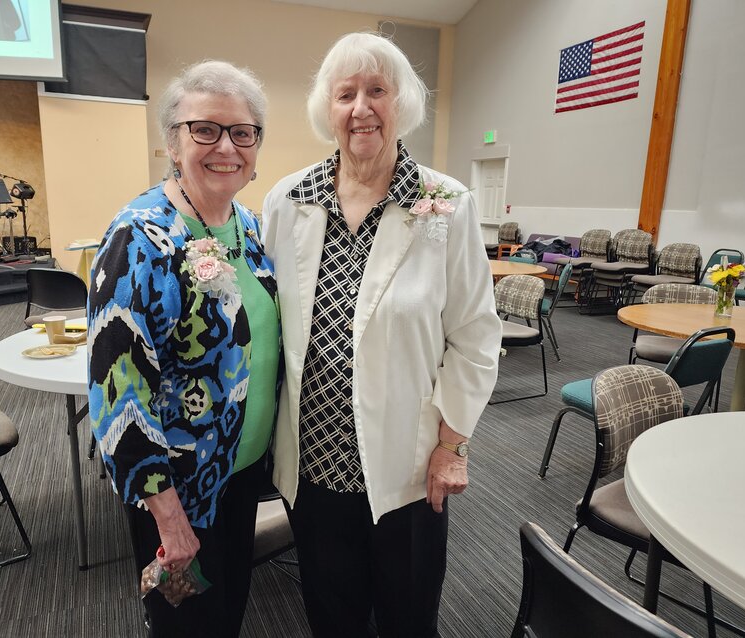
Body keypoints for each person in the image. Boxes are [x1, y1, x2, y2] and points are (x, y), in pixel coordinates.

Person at [261, 32, 501, 637]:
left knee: (408, 617)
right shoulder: (288, 201)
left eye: (377, 91)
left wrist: (452, 445)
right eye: (345, 94)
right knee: (331, 616)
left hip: (408, 469)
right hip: (313, 466)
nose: (361, 108)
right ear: (327, 108)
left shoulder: (446, 202)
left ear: (403, 103)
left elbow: (474, 335)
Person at [87, 60, 280, 638]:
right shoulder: (139, 237)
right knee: (187, 625)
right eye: (206, 129)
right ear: (172, 142)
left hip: (241, 470)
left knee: (228, 615)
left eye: (242, 132)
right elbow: (116, 392)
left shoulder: (248, 226)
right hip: (177, 487)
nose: (226, 146)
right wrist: (167, 516)